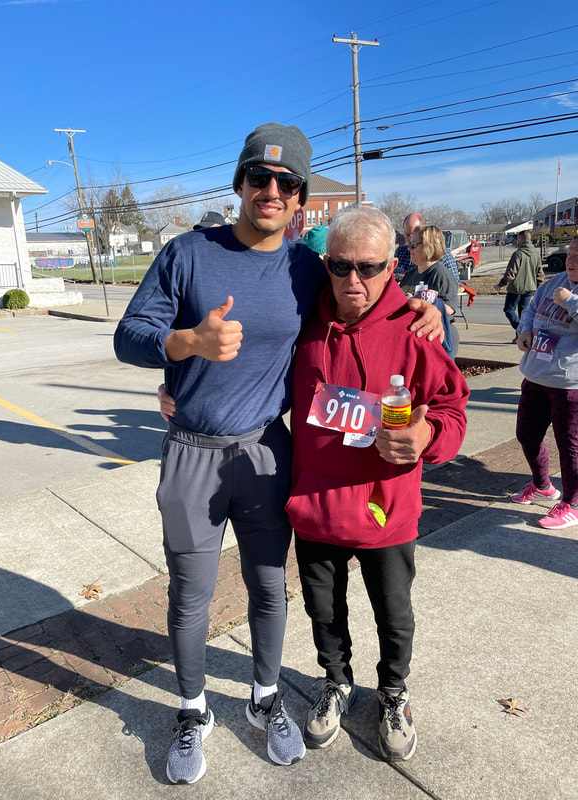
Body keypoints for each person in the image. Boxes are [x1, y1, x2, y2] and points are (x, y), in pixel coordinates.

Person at [115, 122, 443, 786]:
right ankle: (192, 710)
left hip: (267, 450)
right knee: (190, 594)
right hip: (193, 451)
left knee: (269, 588)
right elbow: (129, 336)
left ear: (300, 197)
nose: (271, 190)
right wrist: (186, 344)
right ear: (240, 183)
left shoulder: (307, 268)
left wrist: (422, 308)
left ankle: (265, 700)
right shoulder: (186, 253)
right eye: (259, 177)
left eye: (286, 182)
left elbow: (364, 294)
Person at [285, 206, 468, 762]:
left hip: (385, 510)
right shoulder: (302, 321)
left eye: (368, 267)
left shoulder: (416, 329)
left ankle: (393, 691)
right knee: (323, 612)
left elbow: (452, 410)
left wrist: (426, 435)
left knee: (394, 614)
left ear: (393, 266)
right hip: (315, 506)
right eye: (341, 266)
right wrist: (179, 387)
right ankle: (336, 681)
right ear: (326, 264)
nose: (354, 280)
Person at [510, 236, 578, 529]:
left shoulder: (565, 292)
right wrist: (524, 331)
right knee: (527, 434)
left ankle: (572, 504)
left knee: (570, 446)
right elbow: (530, 310)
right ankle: (542, 486)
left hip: (569, 383)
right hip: (536, 374)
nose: (571, 260)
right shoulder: (554, 283)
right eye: (570, 254)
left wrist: (570, 302)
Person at [399, 225, 459, 359]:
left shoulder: (441, 275)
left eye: (413, 244)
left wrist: (416, 302)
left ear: (429, 246)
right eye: (409, 244)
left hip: (437, 339)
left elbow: (449, 308)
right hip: (415, 339)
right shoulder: (409, 275)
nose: (409, 248)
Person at [493, 229, 544, 342]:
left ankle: (521, 330)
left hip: (516, 288)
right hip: (530, 288)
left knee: (508, 309)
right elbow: (540, 273)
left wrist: (500, 284)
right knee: (523, 313)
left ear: (521, 239)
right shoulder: (536, 254)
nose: (517, 241)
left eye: (517, 239)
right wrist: (539, 286)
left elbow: (511, 273)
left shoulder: (518, 254)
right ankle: (520, 337)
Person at [394, 212, 460, 285]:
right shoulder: (401, 252)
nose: (410, 238)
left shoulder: (444, 257)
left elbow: (454, 285)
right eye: (407, 235)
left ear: (424, 231)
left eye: (413, 234)